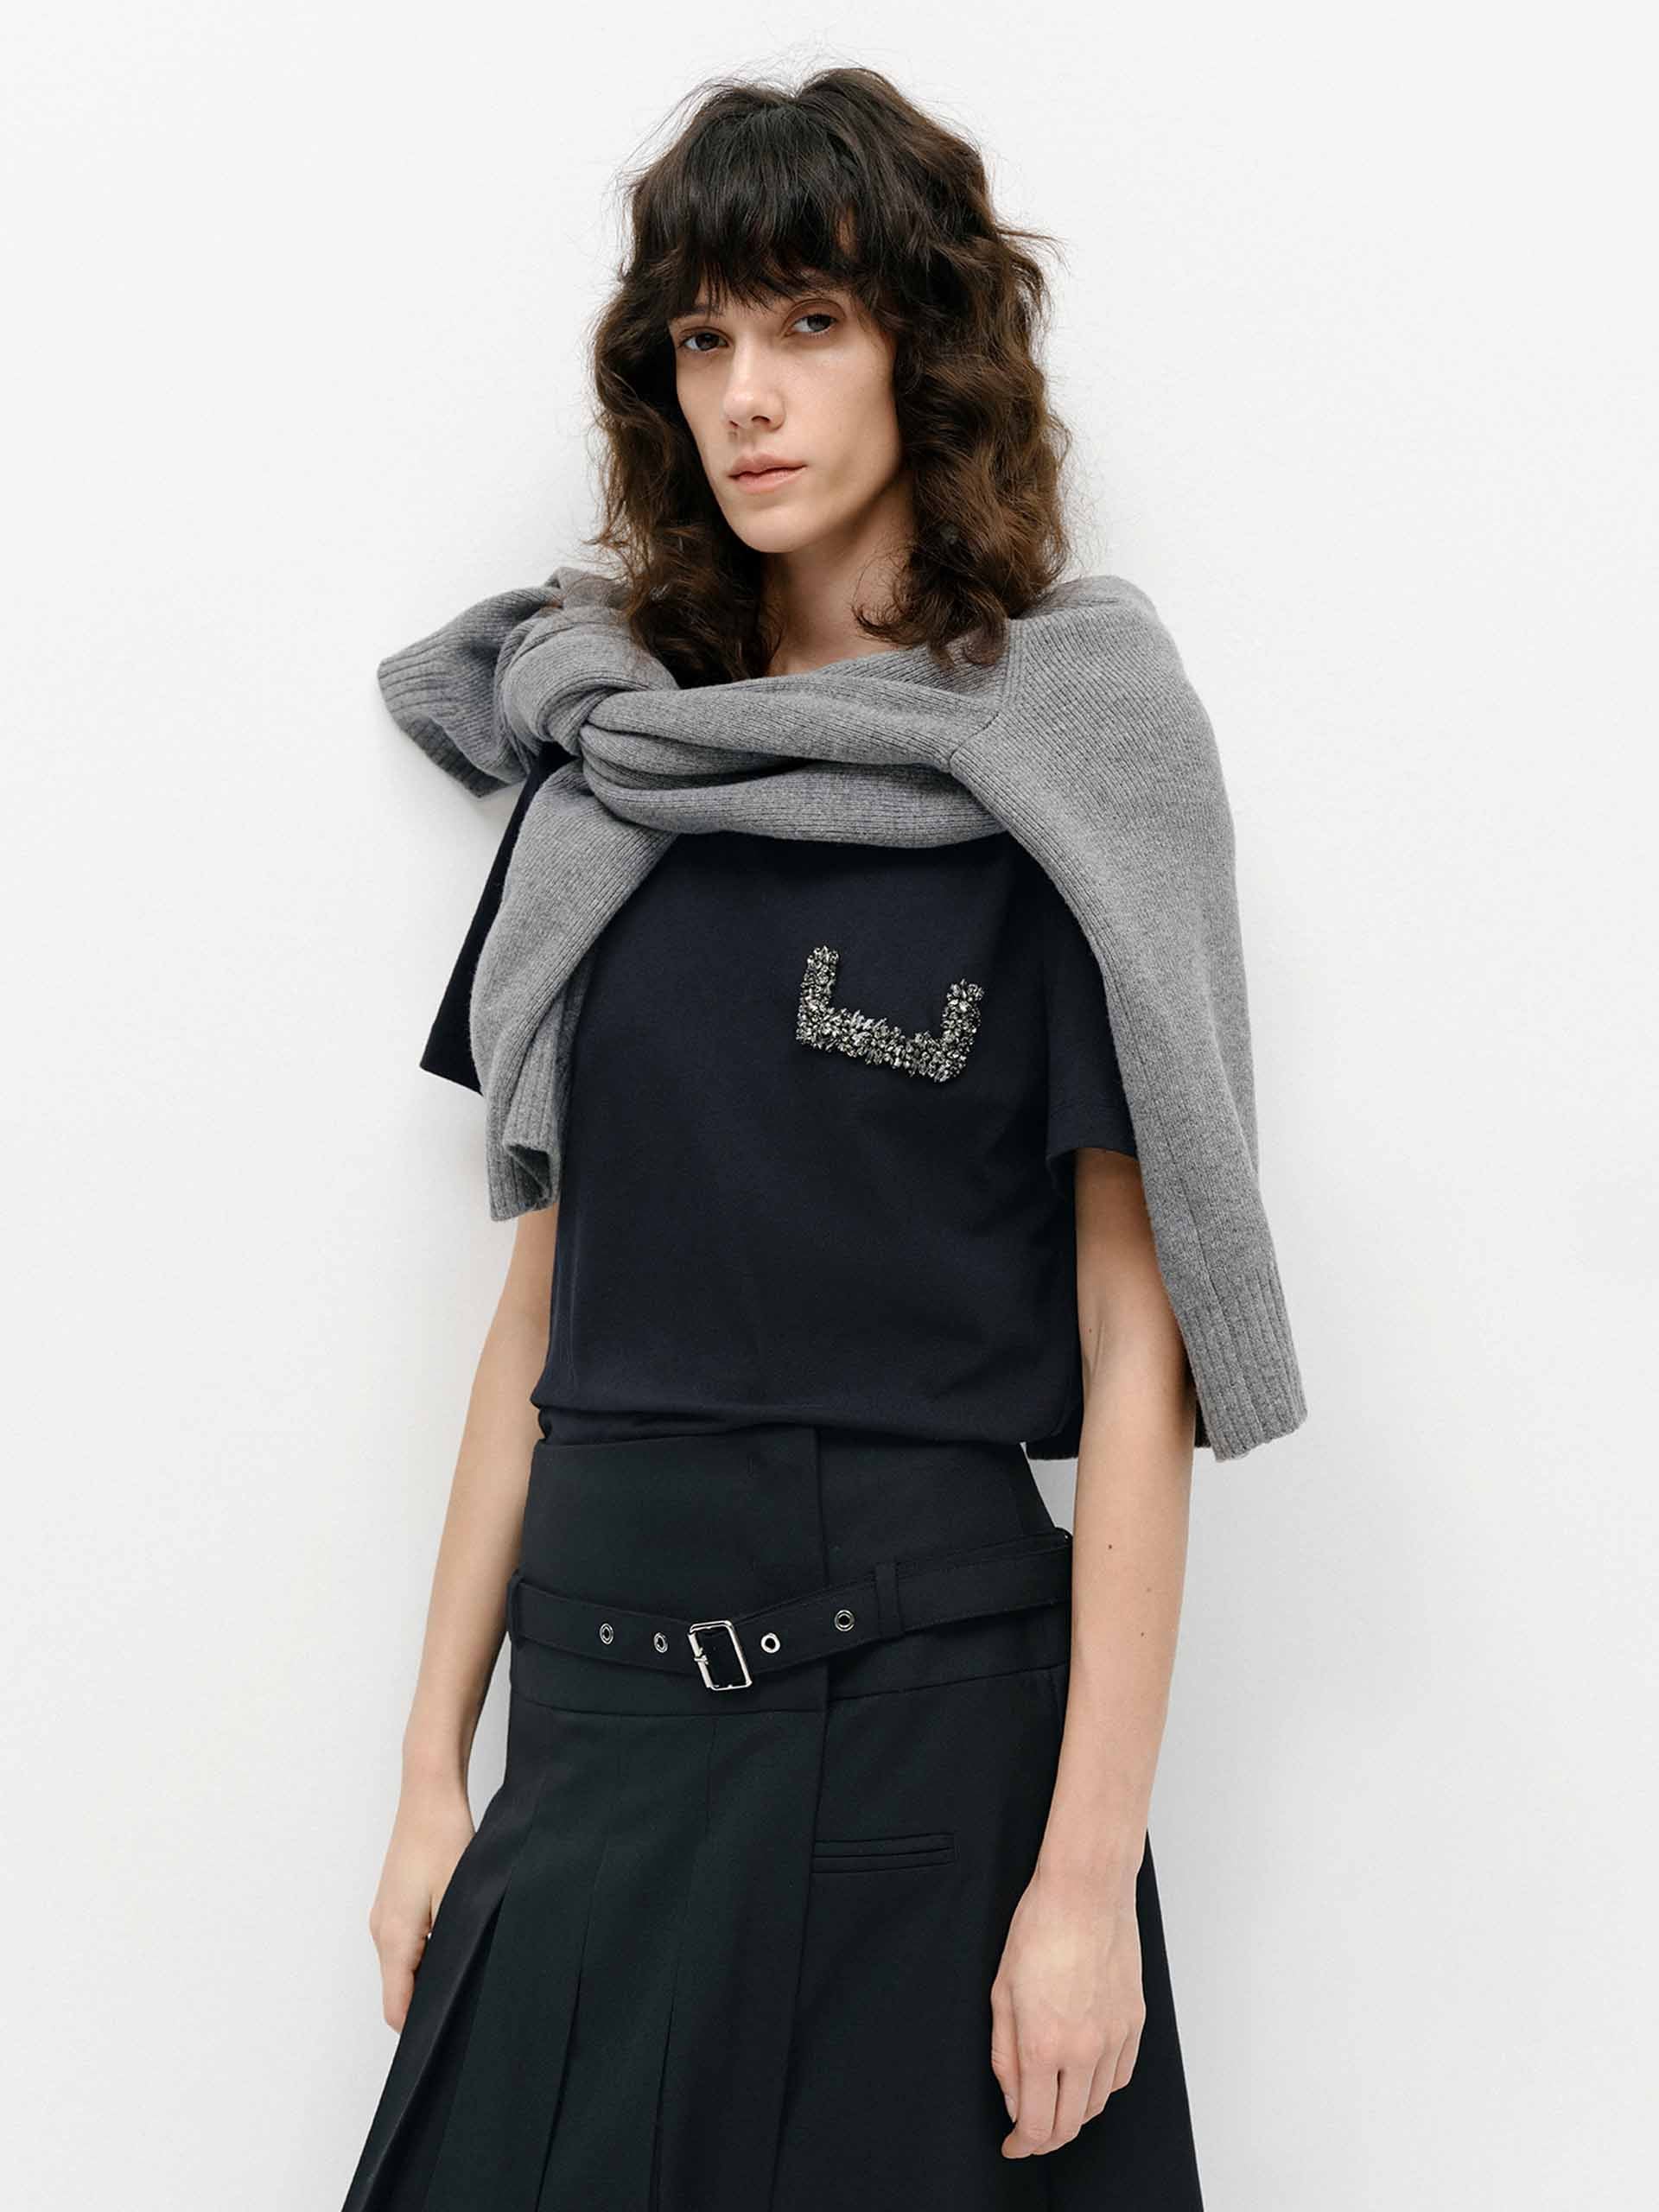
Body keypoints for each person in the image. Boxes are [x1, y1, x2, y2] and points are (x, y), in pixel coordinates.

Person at [340, 64, 1304, 2212]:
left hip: (929, 1743)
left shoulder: (1062, 768)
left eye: (808, 322)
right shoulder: (610, 780)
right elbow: (537, 1317)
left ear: (922, 349)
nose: (747, 397)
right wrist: (429, 1776)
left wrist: (1083, 1878)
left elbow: (1134, 1354)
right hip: (597, 1726)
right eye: (703, 339)